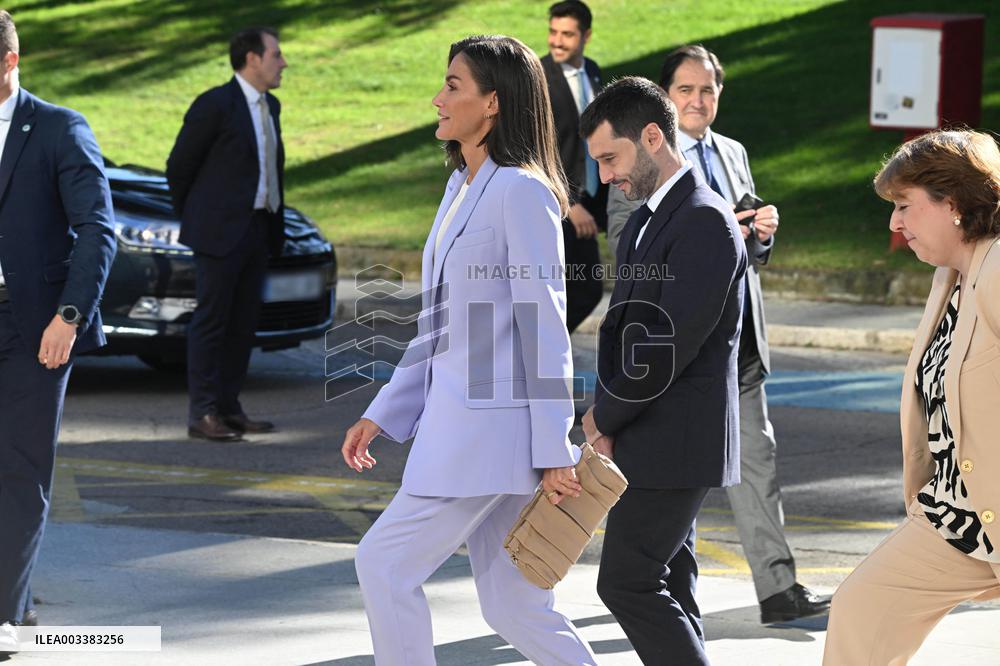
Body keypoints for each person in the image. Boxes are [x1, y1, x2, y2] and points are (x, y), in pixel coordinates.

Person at [340, 35, 598, 665]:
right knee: (513, 604)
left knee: (383, 565)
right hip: (475, 434)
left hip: (486, 437)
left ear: (493, 102)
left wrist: (554, 448)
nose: (438, 98)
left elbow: (544, 323)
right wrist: (384, 410)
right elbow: (438, 324)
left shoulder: (522, 191)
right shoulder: (462, 183)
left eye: (453, 85)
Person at [606, 45, 829, 623]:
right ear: (666, 97)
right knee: (678, 476)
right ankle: (669, 592)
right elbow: (625, 240)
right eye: (685, 90)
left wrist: (760, 234)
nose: (698, 100)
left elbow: (746, 251)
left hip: (740, 342)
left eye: (707, 90)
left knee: (758, 461)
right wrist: (719, 228)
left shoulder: (733, 152)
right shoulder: (639, 155)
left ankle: (778, 589)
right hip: (677, 346)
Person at [579, 76, 747, 665]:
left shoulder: (704, 219)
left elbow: (667, 345)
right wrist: (608, 417)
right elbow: (625, 332)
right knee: (671, 585)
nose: (605, 176)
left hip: (676, 441)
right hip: (649, 436)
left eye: (611, 158)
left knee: (626, 582)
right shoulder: (646, 219)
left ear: (652, 137)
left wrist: (605, 416)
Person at [824, 129, 1000, 664]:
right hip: (956, 516)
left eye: (904, 205)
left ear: (953, 202)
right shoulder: (951, 275)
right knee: (862, 610)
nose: (894, 224)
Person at [0, 8, 115, 652]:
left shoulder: (58, 128)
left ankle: (7, 618)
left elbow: (97, 229)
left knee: (19, 471)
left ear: (10, 61)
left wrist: (69, 316)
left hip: (33, 327)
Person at [166, 27, 287, 442]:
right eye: (276, 55)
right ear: (252, 59)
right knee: (212, 323)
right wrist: (198, 217)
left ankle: (229, 407)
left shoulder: (271, 105)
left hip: (258, 228)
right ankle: (202, 413)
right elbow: (179, 167)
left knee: (243, 325)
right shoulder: (214, 104)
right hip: (218, 233)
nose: (283, 63)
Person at [541, 0, 607, 333]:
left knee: (586, 289)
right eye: (553, 32)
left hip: (590, 202)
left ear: (586, 36)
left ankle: (543, 350)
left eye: (567, 34)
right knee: (571, 290)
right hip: (554, 205)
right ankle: (537, 351)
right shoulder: (538, 77)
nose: (557, 41)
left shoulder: (593, 71)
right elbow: (536, 149)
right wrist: (570, 202)